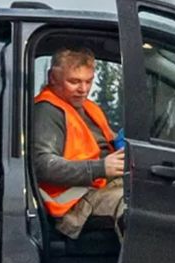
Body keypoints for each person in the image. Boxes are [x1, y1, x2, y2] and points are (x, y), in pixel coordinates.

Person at [32, 47, 125, 239]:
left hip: (102, 185)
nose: (83, 89)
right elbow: (42, 165)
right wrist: (99, 168)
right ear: (52, 78)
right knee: (137, 209)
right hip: (77, 201)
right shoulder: (47, 111)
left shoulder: (88, 108)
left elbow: (106, 143)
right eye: (74, 82)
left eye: (88, 81)